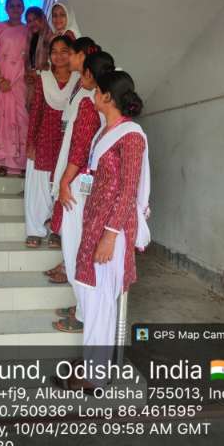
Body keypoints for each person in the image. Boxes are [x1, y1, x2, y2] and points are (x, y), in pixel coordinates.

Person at [68, 70, 151, 390]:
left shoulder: (131, 136)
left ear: (106, 97)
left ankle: (95, 376)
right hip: (94, 221)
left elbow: (128, 191)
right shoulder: (105, 131)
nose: (92, 94)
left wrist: (109, 235)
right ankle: (93, 363)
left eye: (97, 90)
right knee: (91, 294)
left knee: (101, 297)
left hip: (111, 230)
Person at [52, 51, 116, 332]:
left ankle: (83, 312)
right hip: (93, 184)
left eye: (82, 73)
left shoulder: (91, 105)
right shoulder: (107, 106)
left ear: (89, 74)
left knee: (76, 247)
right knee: (82, 246)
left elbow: (79, 149)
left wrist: (64, 182)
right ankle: (82, 307)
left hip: (80, 184)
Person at [44, 37, 102, 284]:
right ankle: (69, 264)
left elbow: (82, 143)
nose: (66, 58)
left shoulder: (92, 97)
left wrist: (66, 179)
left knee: (76, 221)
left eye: (71, 53)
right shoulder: (81, 84)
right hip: (74, 157)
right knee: (74, 221)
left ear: (82, 56)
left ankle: (72, 269)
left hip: (81, 168)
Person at [25, 36, 79, 247]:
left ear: (72, 54)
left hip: (68, 140)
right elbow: (36, 112)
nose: (59, 56)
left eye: (64, 51)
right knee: (38, 186)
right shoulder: (44, 78)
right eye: (54, 51)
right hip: (44, 137)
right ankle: (35, 229)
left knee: (63, 184)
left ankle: (58, 230)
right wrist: (31, 143)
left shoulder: (79, 80)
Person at [0, 0, 29, 176]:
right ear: (6, 9)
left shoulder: (28, 30)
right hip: (1, 82)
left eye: (19, 5)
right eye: (12, 6)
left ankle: (22, 163)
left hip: (20, 83)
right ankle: (0, 162)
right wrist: (0, 79)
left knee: (21, 120)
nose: (15, 9)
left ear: (23, 8)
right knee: (1, 122)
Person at [25, 6, 53, 107]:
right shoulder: (31, 37)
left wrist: (37, 73)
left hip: (46, 85)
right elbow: (29, 61)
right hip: (32, 84)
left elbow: (54, 64)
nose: (32, 23)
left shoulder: (51, 37)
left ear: (43, 18)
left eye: (35, 19)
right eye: (29, 21)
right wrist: (28, 74)